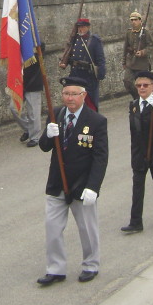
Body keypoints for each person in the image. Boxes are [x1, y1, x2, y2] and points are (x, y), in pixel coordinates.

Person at [37, 76, 108, 285]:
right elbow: (44, 146)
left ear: (84, 95)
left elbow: (100, 157)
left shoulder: (96, 121)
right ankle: (56, 269)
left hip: (82, 184)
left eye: (73, 94)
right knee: (52, 229)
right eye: (66, 94)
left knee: (87, 229)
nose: (69, 98)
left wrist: (93, 187)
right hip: (57, 183)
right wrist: (48, 135)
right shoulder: (56, 114)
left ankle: (90, 265)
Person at [120, 71, 153, 233]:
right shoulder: (134, 105)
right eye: (138, 85)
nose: (141, 88)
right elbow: (134, 133)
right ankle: (136, 221)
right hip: (140, 154)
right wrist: (135, 155)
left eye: (145, 85)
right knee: (137, 187)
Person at [59, 18, 106, 110]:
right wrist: (65, 62)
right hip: (75, 74)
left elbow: (100, 59)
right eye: (79, 27)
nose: (81, 29)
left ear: (88, 27)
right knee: (74, 101)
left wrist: (100, 74)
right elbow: (70, 56)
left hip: (88, 75)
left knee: (90, 102)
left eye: (83, 27)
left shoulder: (94, 40)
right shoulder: (74, 39)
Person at [10, 42, 46, 148]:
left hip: (33, 82)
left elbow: (35, 59)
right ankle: (28, 129)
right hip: (19, 84)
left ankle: (35, 137)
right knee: (13, 108)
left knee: (33, 113)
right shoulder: (16, 41)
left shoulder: (36, 42)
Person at [122, 11, 153, 99]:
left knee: (142, 83)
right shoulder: (129, 32)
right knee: (127, 82)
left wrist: (142, 52)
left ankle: (142, 98)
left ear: (140, 21)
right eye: (132, 20)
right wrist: (124, 62)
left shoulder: (145, 32)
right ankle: (136, 97)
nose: (133, 22)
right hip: (131, 63)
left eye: (135, 20)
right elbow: (125, 47)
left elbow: (151, 46)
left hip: (142, 64)